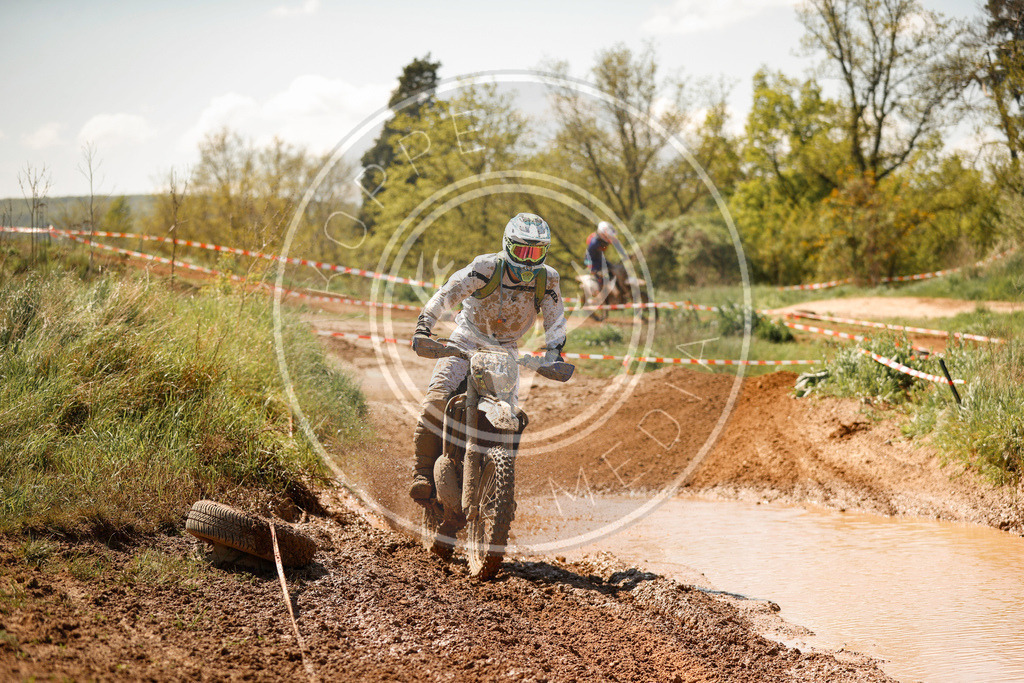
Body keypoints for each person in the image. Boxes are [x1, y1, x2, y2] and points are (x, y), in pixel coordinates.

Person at [409, 213, 568, 501]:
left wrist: (554, 352)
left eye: (537, 252)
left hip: (506, 348)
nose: (530, 261)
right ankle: (421, 473)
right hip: (466, 340)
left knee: (512, 416)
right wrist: (424, 328)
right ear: (508, 246)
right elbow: (446, 295)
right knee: (435, 398)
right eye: (523, 251)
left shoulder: (548, 278)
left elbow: (555, 320)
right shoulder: (485, 268)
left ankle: (500, 487)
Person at [584, 221, 628, 290]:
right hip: (593, 263)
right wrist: (592, 268)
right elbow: (587, 256)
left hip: (601, 259)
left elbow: (617, 244)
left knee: (614, 269)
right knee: (602, 279)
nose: (609, 238)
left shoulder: (607, 239)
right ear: (602, 234)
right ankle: (601, 296)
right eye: (607, 236)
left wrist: (625, 255)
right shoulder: (594, 243)